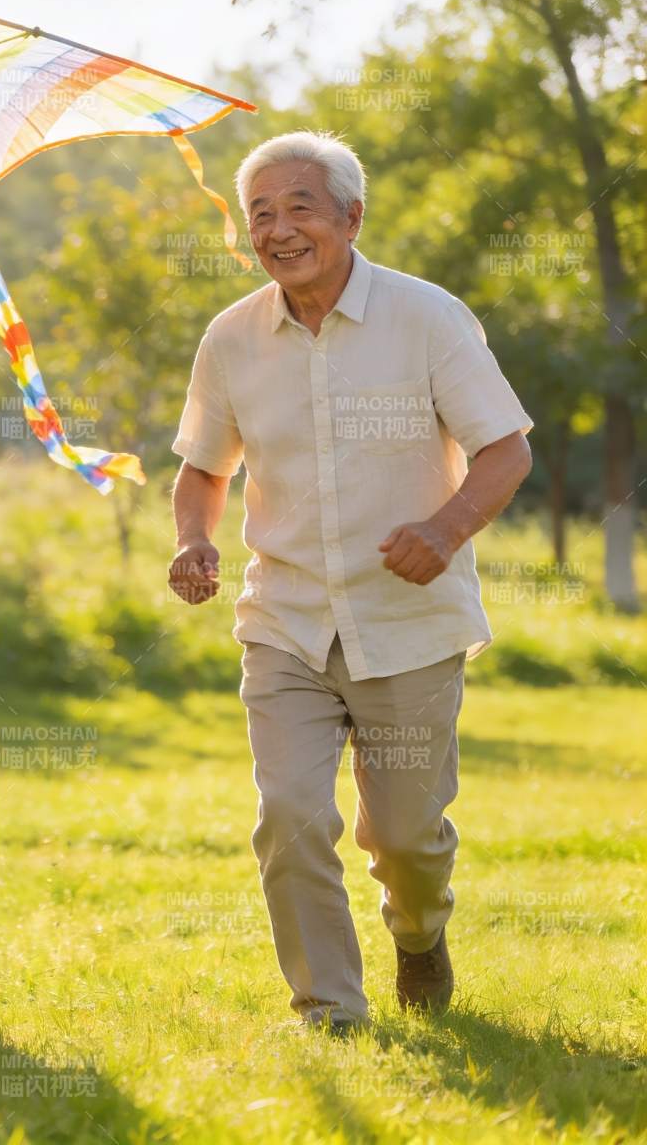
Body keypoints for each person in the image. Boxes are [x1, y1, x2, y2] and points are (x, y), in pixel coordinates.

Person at [168, 131, 533, 1033]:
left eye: (300, 207)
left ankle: (418, 934)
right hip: (284, 620)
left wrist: (446, 529)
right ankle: (330, 1009)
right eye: (261, 213)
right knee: (290, 814)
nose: (280, 229)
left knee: (405, 837)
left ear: (350, 217)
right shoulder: (232, 339)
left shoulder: (428, 318)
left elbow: (506, 447)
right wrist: (193, 540)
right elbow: (205, 467)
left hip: (407, 621)